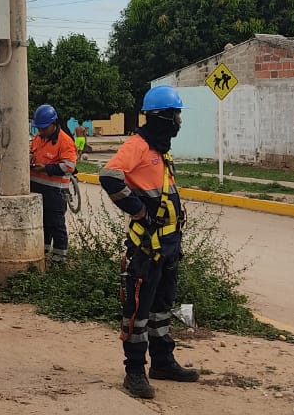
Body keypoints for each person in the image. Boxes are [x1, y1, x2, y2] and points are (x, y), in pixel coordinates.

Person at [98, 85, 199, 399]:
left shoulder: (160, 148)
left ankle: (163, 362)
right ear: (161, 117)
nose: (179, 121)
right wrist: (139, 210)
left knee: (161, 309)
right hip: (146, 248)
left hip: (168, 246)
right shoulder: (139, 145)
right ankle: (134, 372)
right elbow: (109, 175)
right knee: (138, 311)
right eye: (175, 115)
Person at [29, 104, 79, 264]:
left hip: (55, 193)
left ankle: (59, 261)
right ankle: (42, 256)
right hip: (37, 190)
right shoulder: (38, 138)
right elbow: (32, 152)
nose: (41, 131)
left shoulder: (65, 141)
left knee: (56, 226)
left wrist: (46, 168)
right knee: (42, 225)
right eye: (39, 128)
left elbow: (69, 167)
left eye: (44, 128)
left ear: (54, 124)